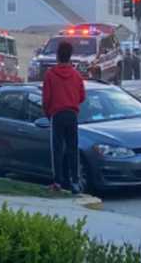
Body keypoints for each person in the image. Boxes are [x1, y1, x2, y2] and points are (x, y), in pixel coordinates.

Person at [42, 41, 86, 194]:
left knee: (57, 149)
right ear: (70, 56)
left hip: (57, 113)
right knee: (73, 148)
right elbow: (82, 95)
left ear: (57, 55)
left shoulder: (50, 74)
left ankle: (58, 181)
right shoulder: (76, 75)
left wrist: (48, 113)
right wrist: (72, 102)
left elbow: (46, 98)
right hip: (72, 114)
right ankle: (75, 181)